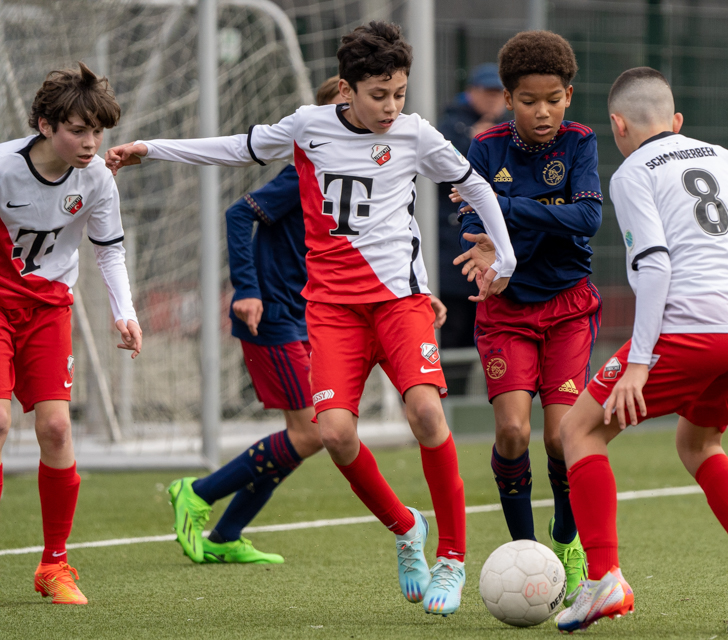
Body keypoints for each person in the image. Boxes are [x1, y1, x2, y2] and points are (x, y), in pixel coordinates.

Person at [107, 21, 515, 616]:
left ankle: (452, 559)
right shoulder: (308, 126)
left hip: (398, 303)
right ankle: (406, 530)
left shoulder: (415, 134)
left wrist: (503, 256)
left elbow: (475, 186)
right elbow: (236, 147)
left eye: (399, 92)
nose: (391, 106)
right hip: (330, 311)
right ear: (346, 89)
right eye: (379, 94)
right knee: (333, 432)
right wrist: (153, 149)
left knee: (426, 411)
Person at [554, 67, 728, 633]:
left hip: (691, 330)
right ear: (676, 122)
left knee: (577, 431)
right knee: (698, 442)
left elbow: (655, 263)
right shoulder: (718, 154)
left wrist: (639, 361)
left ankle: (602, 580)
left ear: (617, 126)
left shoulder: (630, 172)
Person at [164, 76, 346, 565]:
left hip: (304, 317)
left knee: (299, 436)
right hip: (273, 317)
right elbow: (237, 215)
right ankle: (197, 492)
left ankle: (225, 536)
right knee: (310, 433)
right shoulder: (300, 174)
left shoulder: (347, 181)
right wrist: (246, 290)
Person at [450, 31, 602, 604]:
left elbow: (587, 219)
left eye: (554, 99)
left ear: (569, 95)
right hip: (507, 311)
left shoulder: (580, 142)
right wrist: (517, 222)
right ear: (507, 99)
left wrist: (505, 211)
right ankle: (527, 553)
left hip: (567, 307)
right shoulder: (486, 147)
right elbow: (469, 225)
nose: (544, 112)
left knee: (562, 436)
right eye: (529, 100)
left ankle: (566, 538)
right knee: (513, 432)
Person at [0, 62, 141, 605]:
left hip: (48, 310)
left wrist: (123, 312)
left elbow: (109, 250)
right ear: (44, 125)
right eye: (78, 130)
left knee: (56, 430)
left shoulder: (97, 178)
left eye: (97, 132)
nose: (90, 143)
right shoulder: (5, 168)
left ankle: (54, 566)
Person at [436, 64, 507, 391]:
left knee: (485, 339)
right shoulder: (450, 126)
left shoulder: (508, 130)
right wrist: (471, 142)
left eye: (498, 94)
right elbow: (446, 180)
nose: (494, 100)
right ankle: (449, 408)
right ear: (471, 92)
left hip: (497, 256)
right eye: (488, 92)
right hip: (455, 254)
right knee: (454, 335)